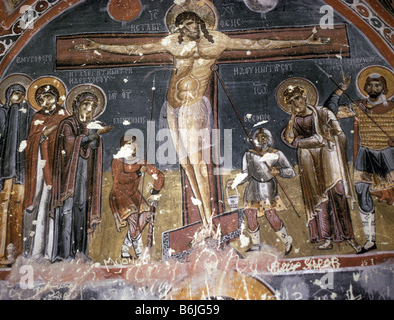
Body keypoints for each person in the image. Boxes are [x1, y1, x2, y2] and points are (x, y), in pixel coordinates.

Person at [73, 3, 329, 239]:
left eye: (192, 24)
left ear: (201, 22)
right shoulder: (174, 42)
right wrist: (98, 45)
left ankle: (209, 221)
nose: (188, 30)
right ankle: (206, 219)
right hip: (172, 105)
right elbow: (135, 49)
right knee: (185, 163)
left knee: (198, 164)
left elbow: (260, 43)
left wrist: (303, 40)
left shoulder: (218, 41)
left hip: (194, 105)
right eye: (183, 27)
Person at [326, 67, 394, 254]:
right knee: (362, 191)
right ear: (365, 88)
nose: (374, 88)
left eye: (378, 85)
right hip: (366, 154)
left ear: (384, 89)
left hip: (389, 153)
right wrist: (341, 89)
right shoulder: (358, 107)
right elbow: (329, 112)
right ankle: (370, 240)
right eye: (370, 84)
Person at [280, 79, 360, 252]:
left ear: (305, 97)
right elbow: (289, 139)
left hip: (329, 160)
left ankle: (349, 237)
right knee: (319, 201)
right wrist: (293, 117)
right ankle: (327, 238)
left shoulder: (322, 113)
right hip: (309, 163)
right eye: (291, 101)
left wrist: (331, 138)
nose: (296, 103)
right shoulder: (293, 120)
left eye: (298, 98)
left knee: (338, 194)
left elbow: (338, 134)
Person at [49, 89, 111, 262]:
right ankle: (63, 255)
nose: (88, 109)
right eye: (86, 104)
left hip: (84, 177)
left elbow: (93, 150)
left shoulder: (90, 126)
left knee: (81, 213)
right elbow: (68, 143)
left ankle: (79, 254)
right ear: (76, 106)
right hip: (68, 178)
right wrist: (88, 137)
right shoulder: (67, 124)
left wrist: (95, 139)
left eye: (92, 106)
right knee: (67, 212)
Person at [0, 78, 34, 265]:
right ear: (7, 96)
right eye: (15, 94)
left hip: (20, 170)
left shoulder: (25, 115)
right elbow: (2, 137)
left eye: (21, 95)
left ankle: (16, 253)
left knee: (17, 208)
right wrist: (15, 111)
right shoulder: (2, 113)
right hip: (4, 170)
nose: (19, 98)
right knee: (1, 206)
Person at [22, 77, 68, 260]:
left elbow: (68, 141)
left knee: (51, 206)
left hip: (57, 168)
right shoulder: (37, 117)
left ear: (56, 98)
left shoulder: (63, 117)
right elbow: (31, 142)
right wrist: (42, 135)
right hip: (39, 166)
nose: (44, 102)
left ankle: (50, 251)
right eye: (41, 99)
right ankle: (34, 251)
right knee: (36, 204)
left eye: (48, 97)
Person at [229, 128, 295, 255]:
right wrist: (236, 181)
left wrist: (279, 171)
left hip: (268, 189)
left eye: (263, 137)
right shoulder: (249, 154)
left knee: (271, 215)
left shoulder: (276, 153)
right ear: (254, 139)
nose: (261, 140)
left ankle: (286, 241)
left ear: (268, 138)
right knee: (250, 215)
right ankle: (256, 245)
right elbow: (245, 174)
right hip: (252, 189)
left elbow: (291, 171)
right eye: (258, 137)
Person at [109, 134, 165, 259]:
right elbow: (119, 180)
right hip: (120, 194)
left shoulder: (140, 161)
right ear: (123, 146)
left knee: (147, 214)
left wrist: (155, 192)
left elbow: (158, 175)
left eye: (133, 144)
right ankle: (140, 255)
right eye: (128, 144)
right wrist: (138, 173)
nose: (132, 147)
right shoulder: (117, 161)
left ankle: (124, 250)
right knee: (134, 217)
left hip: (134, 194)